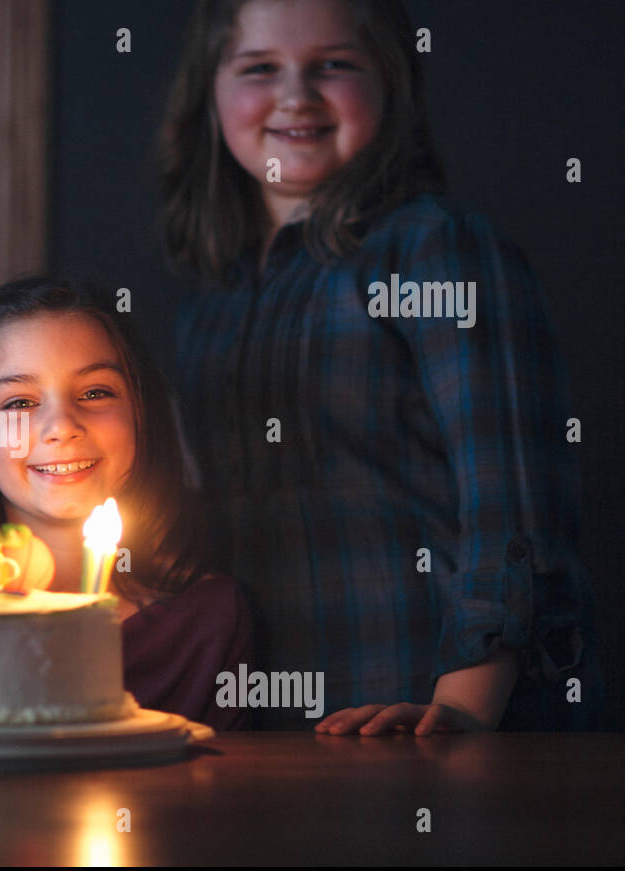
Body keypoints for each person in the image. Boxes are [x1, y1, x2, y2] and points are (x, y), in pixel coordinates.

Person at [159, 0, 599, 732]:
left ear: (390, 82)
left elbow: (515, 506)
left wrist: (460, 713)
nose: (296, 94)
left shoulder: (438, 248)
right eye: (259, 69)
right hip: (272, 741)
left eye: (334, 65)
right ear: (210, 92)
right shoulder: (208, 304)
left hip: (438, 723)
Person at [0, 276, 253, 729]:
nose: (61, 425)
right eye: (19, 401)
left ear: (141, 415)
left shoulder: (209, 618)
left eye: (95, 393)